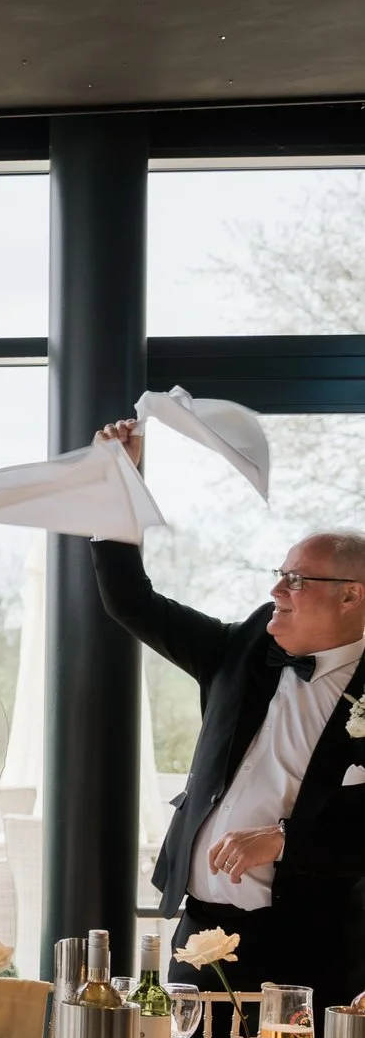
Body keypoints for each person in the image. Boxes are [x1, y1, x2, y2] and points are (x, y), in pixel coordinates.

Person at [91, 418, 365, 1003]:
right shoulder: (241, 651)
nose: (277, 591)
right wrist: (121, 480)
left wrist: (287, 842)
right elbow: (129, 599)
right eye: (279, 576)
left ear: (351, 594)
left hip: (315, 945)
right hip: (204, 933)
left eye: (296, 580)